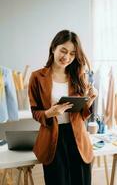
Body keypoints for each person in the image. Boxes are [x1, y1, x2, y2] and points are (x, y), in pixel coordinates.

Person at [28, 29, 97, 185]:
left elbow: (82, 114)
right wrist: (49, 113)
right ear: (54, 48)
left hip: (78, 138)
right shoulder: (37, 77)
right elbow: (35, 112)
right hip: (53, 137)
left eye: (72, 54)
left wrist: (90, 101)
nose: (66, 57)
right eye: (63, 51)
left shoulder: (79, 76)